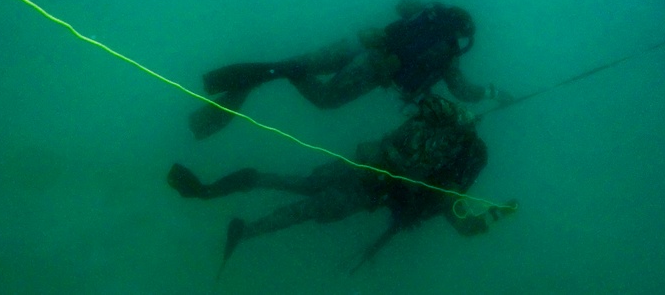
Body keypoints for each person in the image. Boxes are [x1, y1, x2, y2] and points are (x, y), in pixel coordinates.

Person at [168, 95, 517, 270]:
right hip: (359, 172)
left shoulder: (450, 159)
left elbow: (440, 198)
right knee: (306, 191)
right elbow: (398, 145)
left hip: (368, 186)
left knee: (307, 202)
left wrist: (495, 215)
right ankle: (248, 200)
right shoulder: (431, 128)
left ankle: (249, 214)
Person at [189, 0, 515, 140]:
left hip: (359, 43)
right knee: (326, 99)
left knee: (292, 64)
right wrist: (493, 92)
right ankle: (277, 74)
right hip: (372, 68)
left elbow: (401, 3)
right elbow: (462, 91)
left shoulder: (428, 13)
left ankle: (228, 82)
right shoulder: (449, 51)